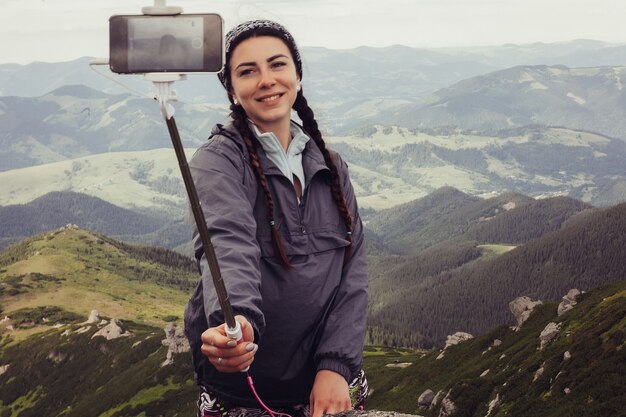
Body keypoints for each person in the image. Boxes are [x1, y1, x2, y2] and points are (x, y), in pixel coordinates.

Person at [183, 20, 369, 417]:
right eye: (248, 71)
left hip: (326, 385)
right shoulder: (219, 163)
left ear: (297, 76)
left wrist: (336, 366)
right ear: (233, 91)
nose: (266, 80)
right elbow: (227, 243)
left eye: (277, 65)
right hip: (244, 394)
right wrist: (237, 323)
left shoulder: (331, 166)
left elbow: (353, 272)